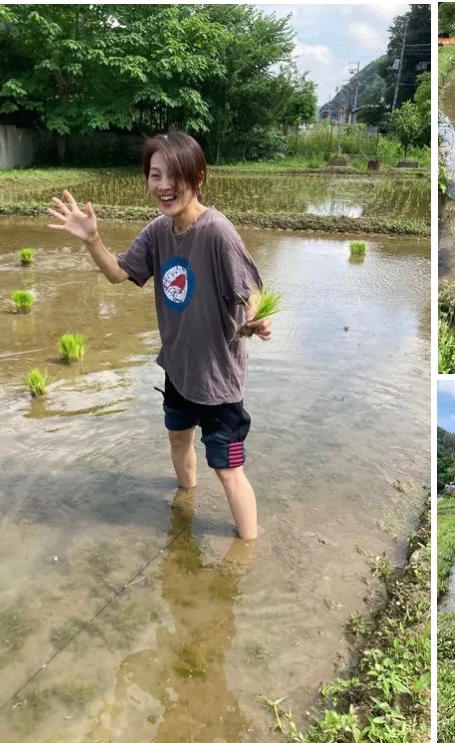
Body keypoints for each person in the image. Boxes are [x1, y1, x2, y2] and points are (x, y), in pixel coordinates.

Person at [47, 132, 272, 540]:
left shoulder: (217, 232)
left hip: (219, 383)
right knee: (178, 441)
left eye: (175, 175)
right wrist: (92, 240)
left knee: (227, 469)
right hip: (178, 370)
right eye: (155, 175)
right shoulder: (158, 232)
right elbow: (119, 274)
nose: (164, 185)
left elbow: (251, 292)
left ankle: (245, 552)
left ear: (198, 176)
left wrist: (256, 319)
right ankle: (185, 499)